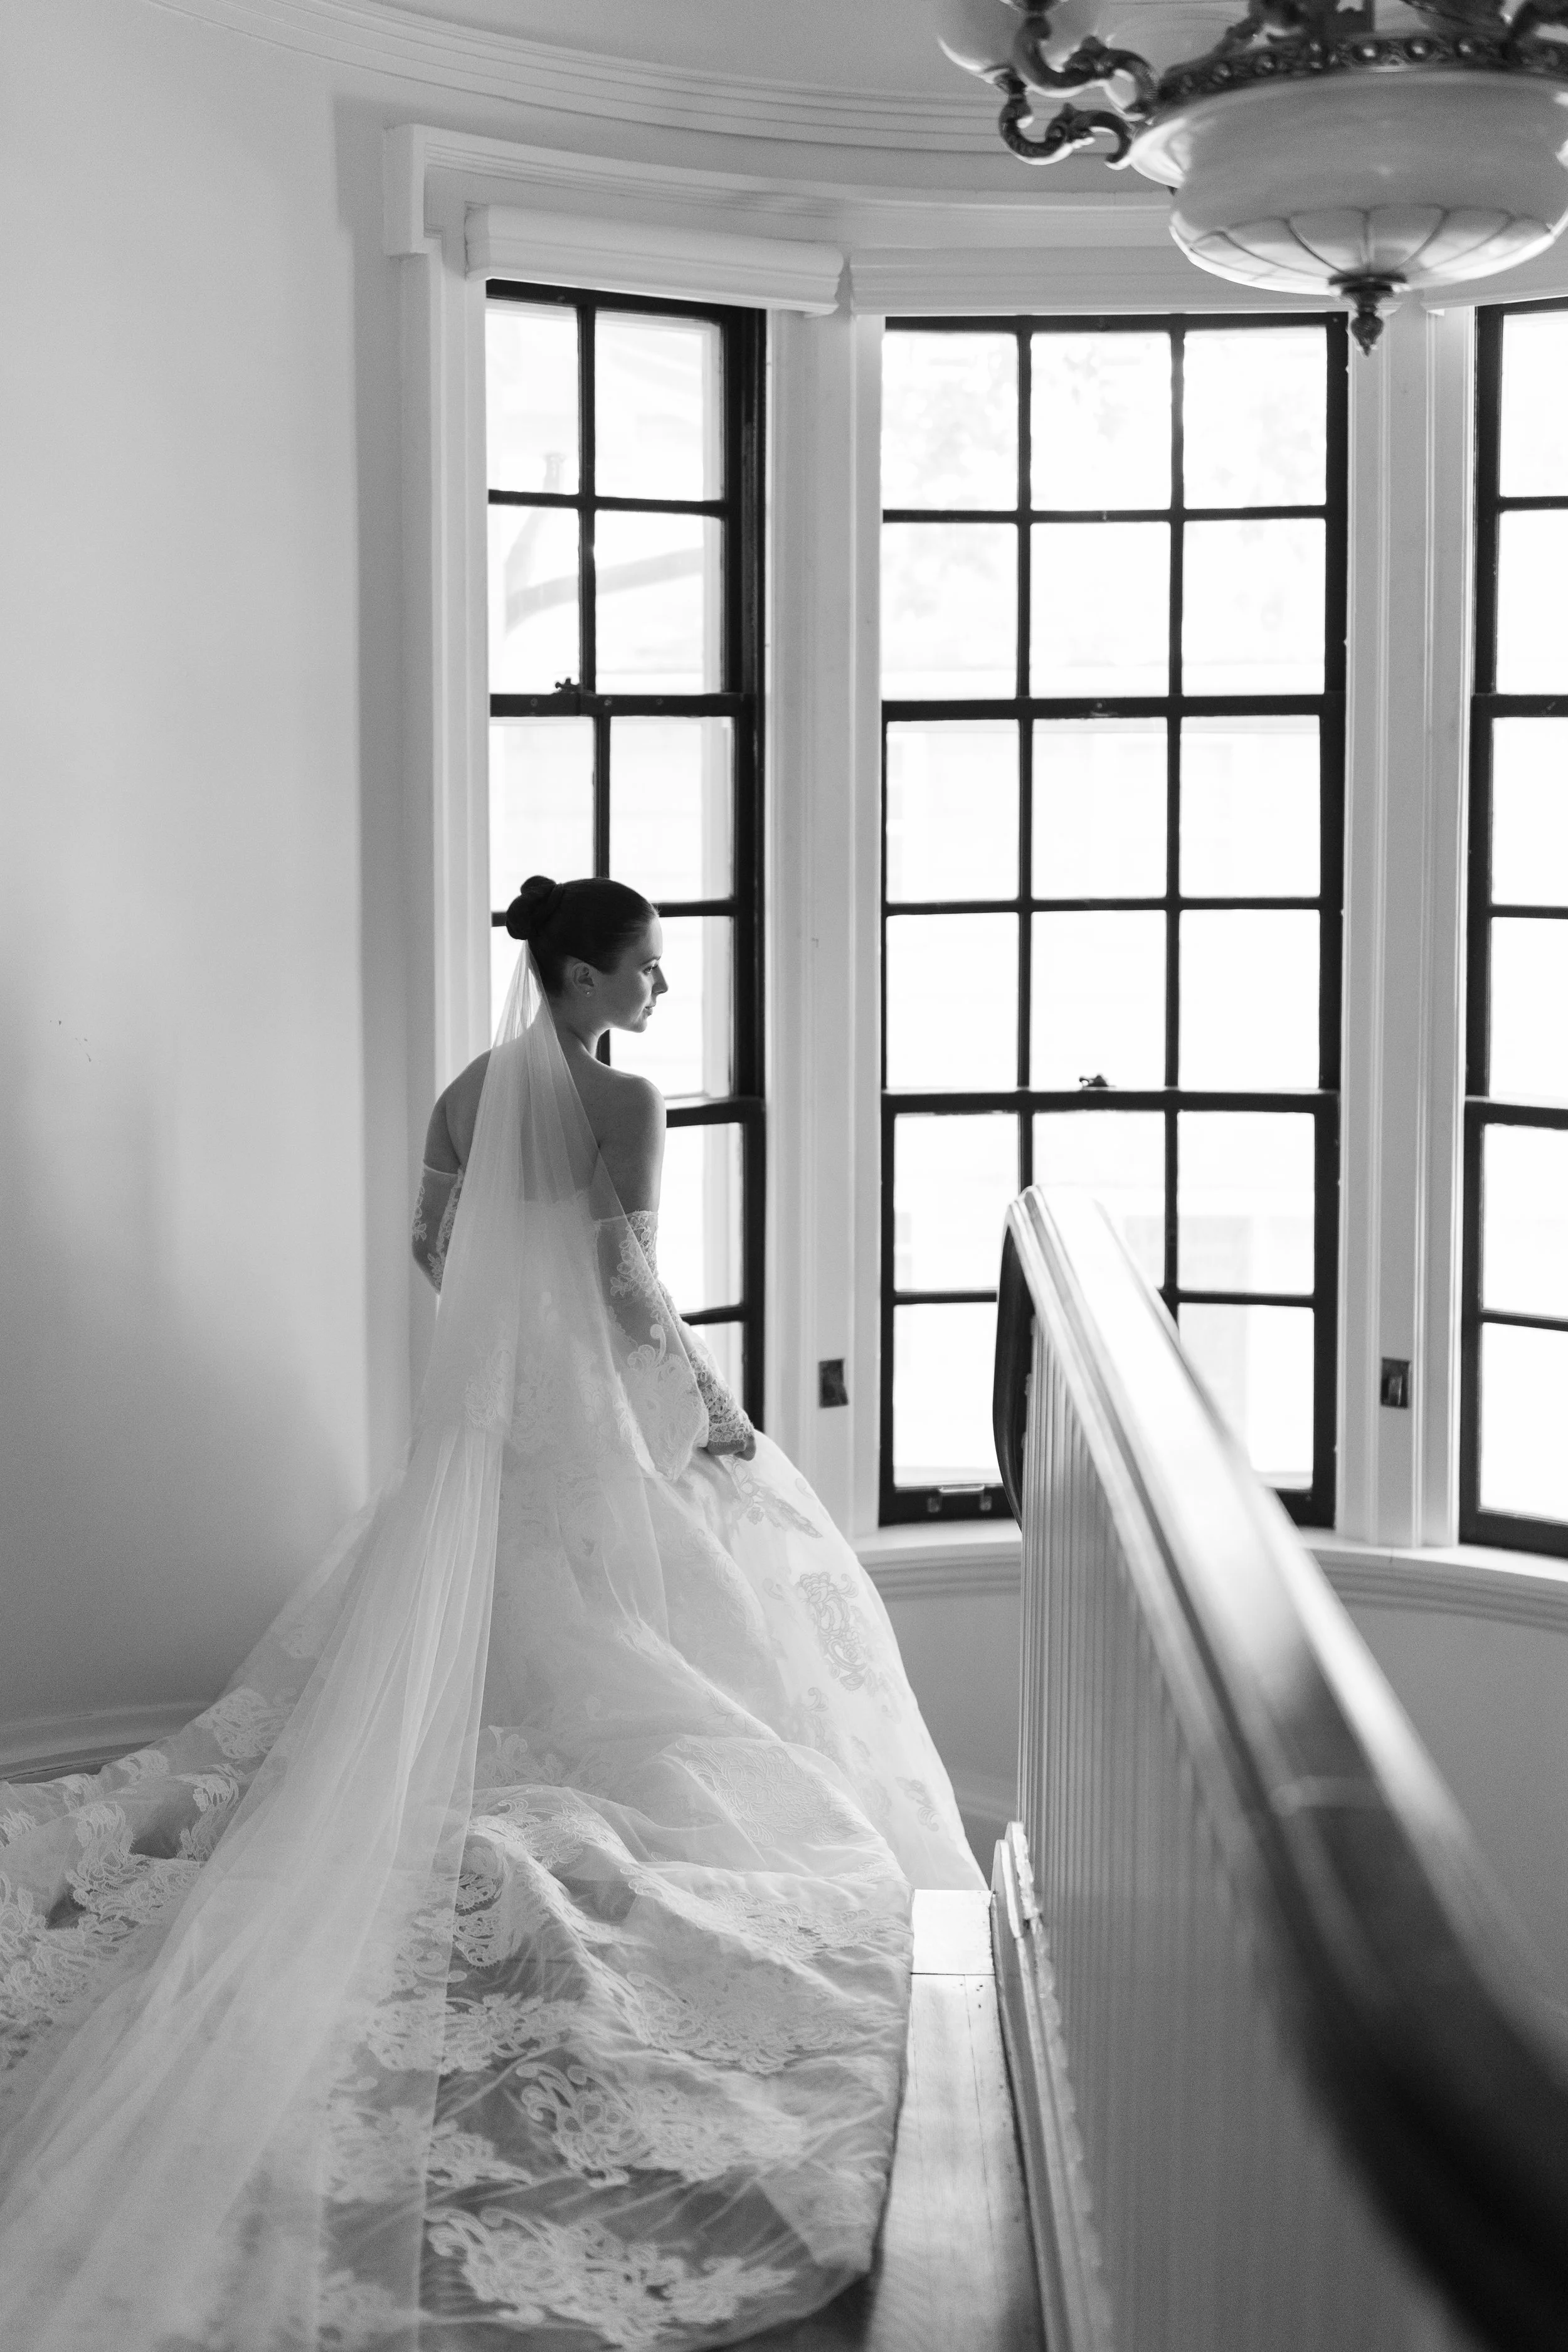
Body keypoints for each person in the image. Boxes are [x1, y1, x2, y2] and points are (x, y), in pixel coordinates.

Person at [0, 874, 983, 2352]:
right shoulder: (625, 1100)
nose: (660, 995)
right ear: (580, 981)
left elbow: (429, 1250)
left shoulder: (467, 1091)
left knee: (491, 1617)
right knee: (686, 1605)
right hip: (589, 1413)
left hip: (490, 1422)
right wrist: (711, 1409)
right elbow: (630, 1282)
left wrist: (506, 1343)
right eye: (644, 972)